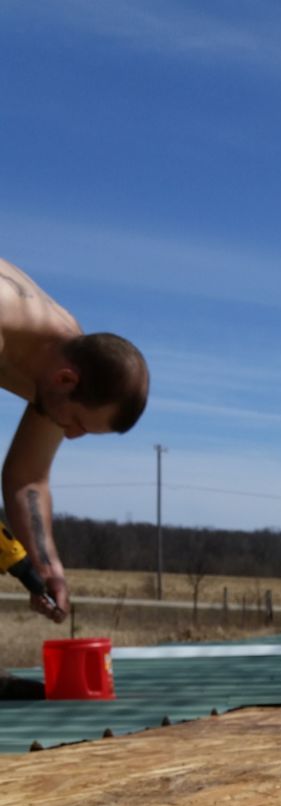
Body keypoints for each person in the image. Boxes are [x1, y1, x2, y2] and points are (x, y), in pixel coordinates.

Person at [0, 255, 148, 695]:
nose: (72, 435)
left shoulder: (62, 355)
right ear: (67, 381)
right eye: (78, 423)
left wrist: (46, 567)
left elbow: (28, 477)